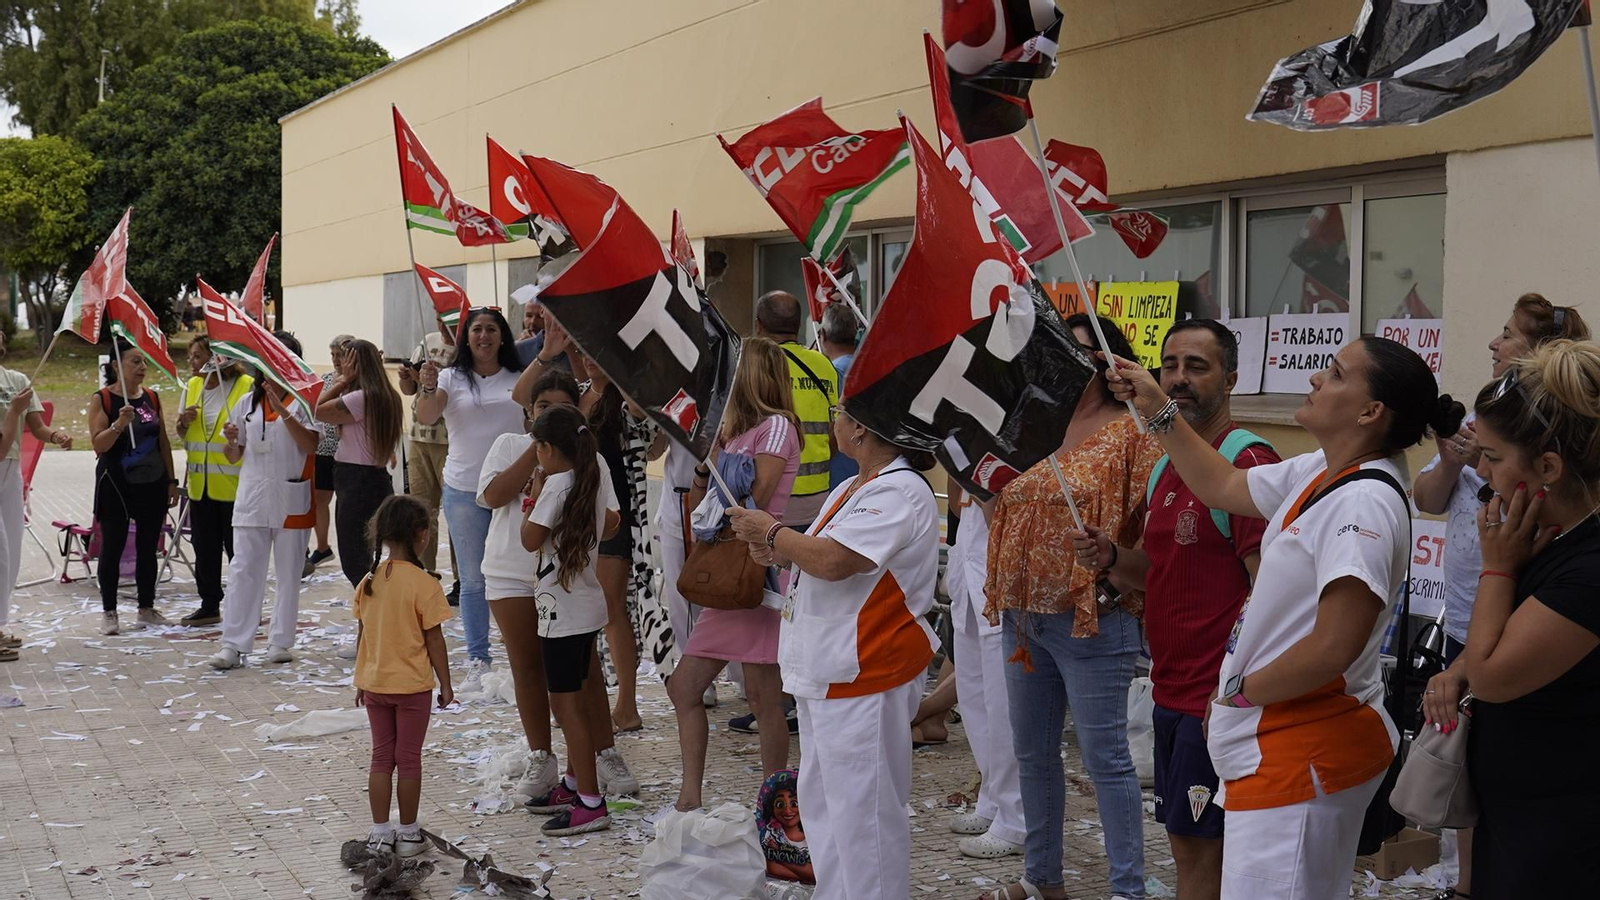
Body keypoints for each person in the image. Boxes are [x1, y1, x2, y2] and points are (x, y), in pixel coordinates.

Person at [1107, 336, 1462, 900]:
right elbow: (1221, 484)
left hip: (1302, 745)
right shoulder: (1325, 468)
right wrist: (1157, 408)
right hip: (1278, 738)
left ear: (1371, 413)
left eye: (1337, 374)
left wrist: (1239, 694)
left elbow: (1331, 649)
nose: (1317, 380)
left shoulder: (1363, 503)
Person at [1070, 320, 1281, 900]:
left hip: (1212, 702)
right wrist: (1114, 556)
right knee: (1192, 850)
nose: (1179, 379)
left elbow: (1271, 592)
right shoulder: (1170, 463)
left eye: (1197, 366)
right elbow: (1165, 569)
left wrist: (1233, 692)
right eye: (1170, 366)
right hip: (1171, 689)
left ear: (1232, 380)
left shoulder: (1246, 464)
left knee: (1203, 857)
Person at [1409, 293, 1586, 900]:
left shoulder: (1584, 564)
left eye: (1491, 458)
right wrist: (1455, 669)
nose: (1479, 473)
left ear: (1549, 468)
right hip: (1519, 813)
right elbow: (1489, 656)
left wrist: (1497, 569)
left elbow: (1494, 674)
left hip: (1562, 830)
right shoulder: (1551, 538)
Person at [726, 404, 939, 900]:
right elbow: (815, 552)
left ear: (862, 426)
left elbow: (837, 560)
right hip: (828, 668)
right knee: (823, 806)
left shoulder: (899, 491)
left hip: (868, 668)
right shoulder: (852, 486)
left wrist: (774, 532)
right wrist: (772, 548)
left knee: (864, 819)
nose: (832, 419)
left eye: (838, 412)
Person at [981, 314, 1156, 900]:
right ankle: (1043, 880)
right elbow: (998, 501)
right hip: (1025, 616)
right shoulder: (1030, 423)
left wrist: (1109, 557)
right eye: (1057, 349)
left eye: (1080, 350)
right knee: (1033, 754)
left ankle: (1128, 888)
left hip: (1095, 620)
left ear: (1109, 359)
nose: (1067, 360)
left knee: (1106, 759)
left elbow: (1151, 538)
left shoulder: (1133, 430)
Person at [660, 337, 800, 818]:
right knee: (687, 687)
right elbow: (701, 498)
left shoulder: (777, 428)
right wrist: (707, 465)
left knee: (763, 698)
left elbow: (756, 493)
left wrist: (720, 463)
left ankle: (771, 798)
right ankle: (694, 794)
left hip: (754, 573)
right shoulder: (737, 433)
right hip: (730, 568)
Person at [518, 405, 622, 836]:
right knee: (575, 696)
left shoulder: (557, 485)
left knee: (565, 707)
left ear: (547, 449)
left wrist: (533, 495)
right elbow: (612, 522)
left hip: (560, 614)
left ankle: (591, 802)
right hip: (584, 606)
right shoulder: (591, 471)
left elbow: (529, 540)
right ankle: (577, 781)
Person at [418, 307, 525, 690]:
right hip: (464, 490)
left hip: (514, 489)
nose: (484, 336)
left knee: (519, 575)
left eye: (491, 329)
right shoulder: (449, 376)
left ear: (502, 336)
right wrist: (427, 387)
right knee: (475, 580)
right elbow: (427, 416)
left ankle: (523, 655)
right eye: (476, 329)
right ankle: (479, 658)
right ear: (465, 337)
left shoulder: (519, 375)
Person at [207, 333, 321, 670]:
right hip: (253, 497)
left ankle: (280, 641)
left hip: (291, 497)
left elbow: (312, 444)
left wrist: (285, 410)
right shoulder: (247, 403)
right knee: (244, 570)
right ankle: (233, 643)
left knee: (288, 572)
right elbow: (234, 455)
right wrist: (230, 441)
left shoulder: (304, 401)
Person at [353, 494, 455, 859]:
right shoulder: (425, 584)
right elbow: (435, 640)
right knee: (408, 758)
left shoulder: (369, 581)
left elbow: (363, 631)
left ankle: (380, 833)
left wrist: (359, 679)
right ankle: (409, 834)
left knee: (381, 757)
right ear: (422, 535)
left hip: (375, 685)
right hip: (412, 688)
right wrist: (445, 683)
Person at [942, 484, 1026, 861]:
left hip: (1002, 570)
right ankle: (992, 797)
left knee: (1003, 703)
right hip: (971, 565)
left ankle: (1016, 817)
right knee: (975, 696)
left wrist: (977, 475)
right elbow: (957, 501)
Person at [88, 341, 180, 635]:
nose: (142, 368)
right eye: (135, 362)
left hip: (152, 483)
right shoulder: (102, 399)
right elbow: (98, 445)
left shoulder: (151, 397)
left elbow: (163, 440)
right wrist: (118, 424)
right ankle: (109, 612)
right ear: (117, 366)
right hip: (115, 484)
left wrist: (171, 481)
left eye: (144, 363)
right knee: (113, 546)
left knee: (147, 546)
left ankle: (146, 608)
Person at [175, 337, 254, 626]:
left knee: (239, 552)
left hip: (233, 487)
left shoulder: (244, 385)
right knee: (204, 548)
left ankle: (245, 606)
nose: (192, 362)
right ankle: (209, 604)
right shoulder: (192, 387)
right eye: (191, 356)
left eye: (197, 356)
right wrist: (183, 422)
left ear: (216, 359)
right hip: (200, 486)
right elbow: (182, 434)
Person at [0, 342, 72, 657]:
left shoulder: (17, 380)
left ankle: (1, 622)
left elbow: (37, 427)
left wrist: (56, 436)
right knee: (0, 553)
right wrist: (13, 410)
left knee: (12, 553)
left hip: (10, 471)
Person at [316, 339, 403, 588]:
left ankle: (368, 622)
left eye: (344, 359)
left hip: (356, 480)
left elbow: (315, 409)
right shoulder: (388, 396)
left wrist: (341, 381)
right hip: (375, 478)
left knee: (355, 562)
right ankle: (371, 621)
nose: (339, 364)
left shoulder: (360, 398)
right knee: (369, 560)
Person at [754, 291, 838, 529]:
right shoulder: (824, 365)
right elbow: (835, 432)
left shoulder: (755, 366)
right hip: (819, 499)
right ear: (799, 325)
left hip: (768, 496)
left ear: (758, 326)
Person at [397, 321, 459, 599]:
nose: (443, 325)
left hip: (450, 439)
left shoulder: (466, 346)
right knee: (422, 510)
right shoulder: (428, 339)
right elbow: (409, 390)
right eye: (439, 317)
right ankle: (425, 575)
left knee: (458, 512)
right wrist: (407, 377)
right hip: (420, 436)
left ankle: (461, 580)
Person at [304, 335, 353, 578]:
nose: (335, 360)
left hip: (348, 452)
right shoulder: (324, 380)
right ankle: (322, 547)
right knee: (319, 500)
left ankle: (352, 552)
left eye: (340, 355)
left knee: (346, 503)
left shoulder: (358, 382)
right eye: (333, 355)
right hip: (323, 450)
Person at [818, 304, 859, 489]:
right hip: (866, 473)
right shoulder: (867, 370)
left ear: (823, 335)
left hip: (837, 478)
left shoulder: (832, 374)